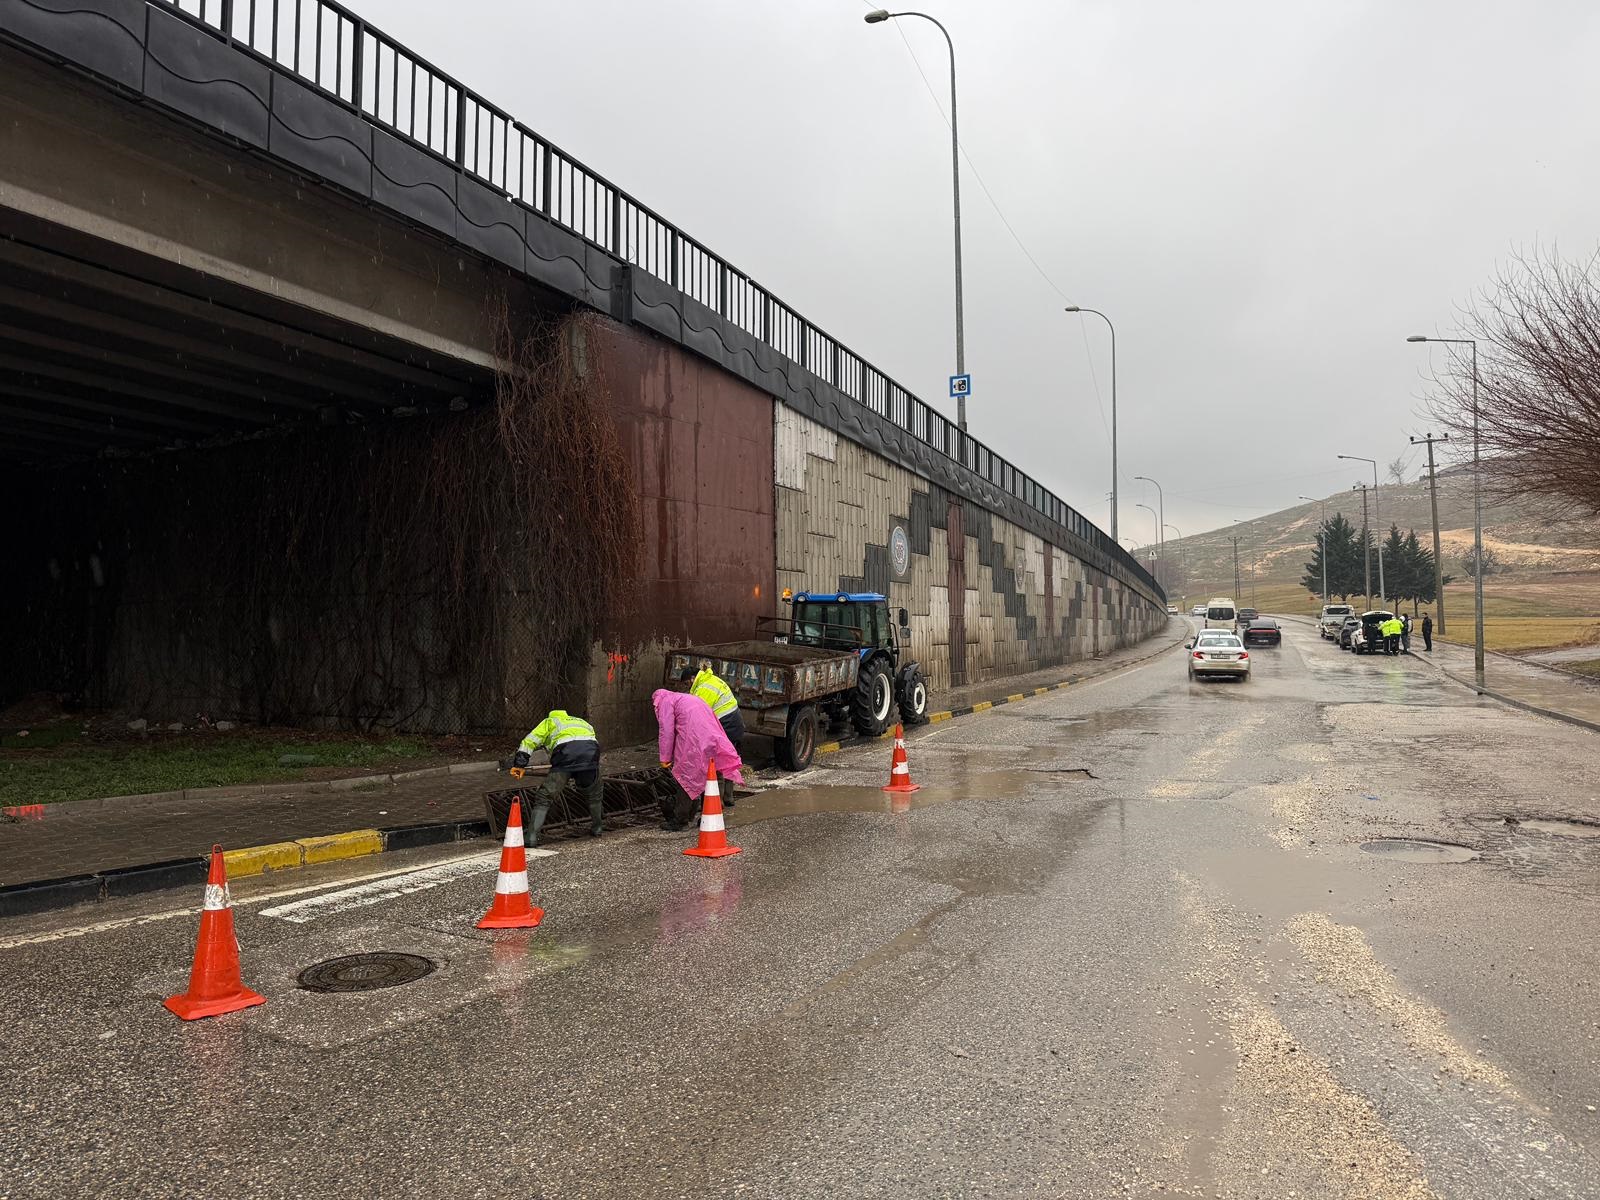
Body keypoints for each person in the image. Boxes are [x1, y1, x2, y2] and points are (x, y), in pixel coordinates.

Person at [653, 688, 744, 831]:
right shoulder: (688, 698)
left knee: (686, 776)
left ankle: (681, 820)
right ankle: (710, 814)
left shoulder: (664, 702)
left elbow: (667, 731)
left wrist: (665, 757)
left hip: (694, 739)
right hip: (711, 736)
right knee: (710, 775)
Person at [508, 709, 603, 846]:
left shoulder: (549, 722)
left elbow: (529, 742)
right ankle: (597, 828)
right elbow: (589, 739)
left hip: (565, 756)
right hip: (590, 755)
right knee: (594, 793)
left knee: (544, 797)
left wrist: (520, 764)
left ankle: (531, 837)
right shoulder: (581, 721)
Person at [691, 661, 745, 748]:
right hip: (734, 723)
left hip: (727, 725)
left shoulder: (703, 688)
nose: (687, 687)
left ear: (692, 678)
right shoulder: (711, 679)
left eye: (686, 683)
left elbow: (699, 719)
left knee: (719, 756)